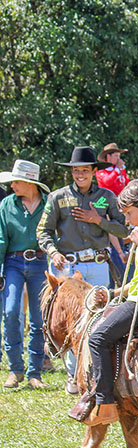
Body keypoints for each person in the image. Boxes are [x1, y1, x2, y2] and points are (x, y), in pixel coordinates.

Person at [67, 180, 138, 426]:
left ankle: (105, 403)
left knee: (98, 338)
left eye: (130, 213)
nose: (128, 220)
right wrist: (114, 293)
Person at [38, 146, 130, 394]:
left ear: (93, 171)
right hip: (68, 265)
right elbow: (43, 231)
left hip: (99, 264)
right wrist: (53, 252)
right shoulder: (57, 198)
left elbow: (124, 230)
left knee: (99, 318)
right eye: (76, 170)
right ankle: (73, 375)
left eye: (85, 170)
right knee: (71, 320)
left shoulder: (107, 197)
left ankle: (98, 371)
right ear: (72, 172)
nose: (80, 174)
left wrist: (97, 220)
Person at [0, 160, 50, 389]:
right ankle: (15, 369)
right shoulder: (6, 205)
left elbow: (54, 235)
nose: (12, 186)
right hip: (13, 262)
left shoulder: (48, 205)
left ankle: (35, 372)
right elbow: (1, 240)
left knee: (39, 319)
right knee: (11, 312)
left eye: (16, 182)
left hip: (40, 263)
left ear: (30, 183)